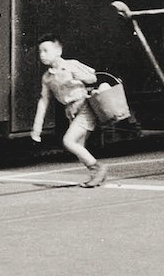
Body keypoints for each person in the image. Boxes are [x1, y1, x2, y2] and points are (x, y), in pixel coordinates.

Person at [30, 35, 107, 188]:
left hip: (84, 106)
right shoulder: (47, 77)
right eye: (40, 52)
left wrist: (77, 76)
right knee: (79, 147)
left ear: (58, 50)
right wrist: (36, 127)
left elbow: (92, 78)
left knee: (68, 141)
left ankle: (98, 168)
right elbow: (44, 100)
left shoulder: (71, 65)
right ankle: (95, 175)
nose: (42, 55)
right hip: (70, 111)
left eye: (46, 50)